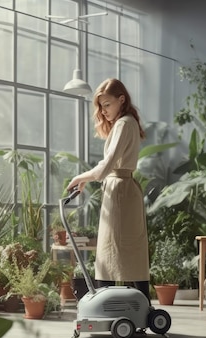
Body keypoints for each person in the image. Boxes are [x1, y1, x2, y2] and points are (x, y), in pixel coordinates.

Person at [66, 78, 150, 303]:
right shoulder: (128, 122)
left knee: (111, 250)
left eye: (107, 105)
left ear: (121, 100)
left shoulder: (123, 124)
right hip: (123, 189)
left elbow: (108, 164)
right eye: (100, 106)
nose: (103, 112)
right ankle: (141, 305)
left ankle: (106, 304)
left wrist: (79, 177)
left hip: (120, 192)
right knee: (129, 250)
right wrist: (86, 180)